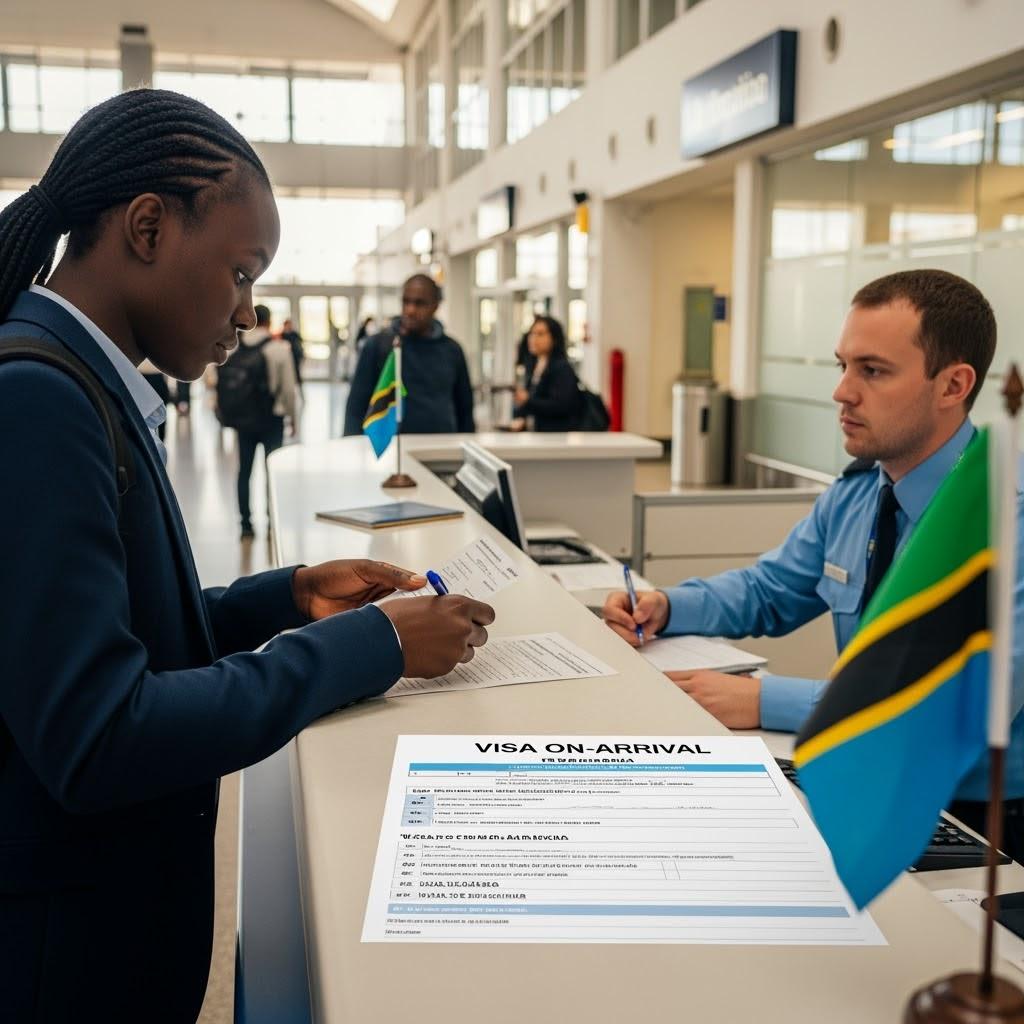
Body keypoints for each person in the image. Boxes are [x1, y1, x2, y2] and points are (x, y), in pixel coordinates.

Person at [0, 88, 495, 1024]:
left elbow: (112, 626)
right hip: (64, 964)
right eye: (239, 272)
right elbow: (99, 734)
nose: (248, 311)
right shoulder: (39, 396)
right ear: (147, 227)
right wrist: (374, 647)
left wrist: (288, 595)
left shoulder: (83, 382)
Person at [603, 269, 1024, 856]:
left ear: (953, 385)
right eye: (842, 365)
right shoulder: (859, 493)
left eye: (872, 371)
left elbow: (967, 708)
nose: (842, 392)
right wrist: (669, 605)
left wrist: (767, 699)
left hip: (982, 825)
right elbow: (771, 588)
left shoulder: (1007, 520)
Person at [344, 274, 475, 436]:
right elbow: (356, 406)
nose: (411, 310)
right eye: (406, 302)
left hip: (440, 447)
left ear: (435, 306)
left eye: (420, 303)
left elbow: (465, 409)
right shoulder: (378, 346)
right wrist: (352, 445)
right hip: (392, 448)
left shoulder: (452, 350)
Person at [218, 303, 297, 539]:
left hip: (244, 420)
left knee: (244, 471)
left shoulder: (235, 348)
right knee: (271, 470)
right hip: (272, 418)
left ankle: (245, 524)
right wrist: (293, 418)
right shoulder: (279, 348)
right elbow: (289, 389)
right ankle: (272, 521)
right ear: (269, 321)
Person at [510, 315, 582, 432]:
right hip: (539, 435)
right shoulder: (533, 366)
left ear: (554, 338)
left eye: (540, 334)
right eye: (532, 334)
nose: (533, 339)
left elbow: (561, 406)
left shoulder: (561, 367)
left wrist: (527, 400)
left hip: (557, 436)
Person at [280, 316, 304, 389]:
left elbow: (300, 343)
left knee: (297, 374)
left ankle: (300, 391)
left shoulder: (295, 334)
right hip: (287, 357)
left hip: (295, 357)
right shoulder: (282, 335)